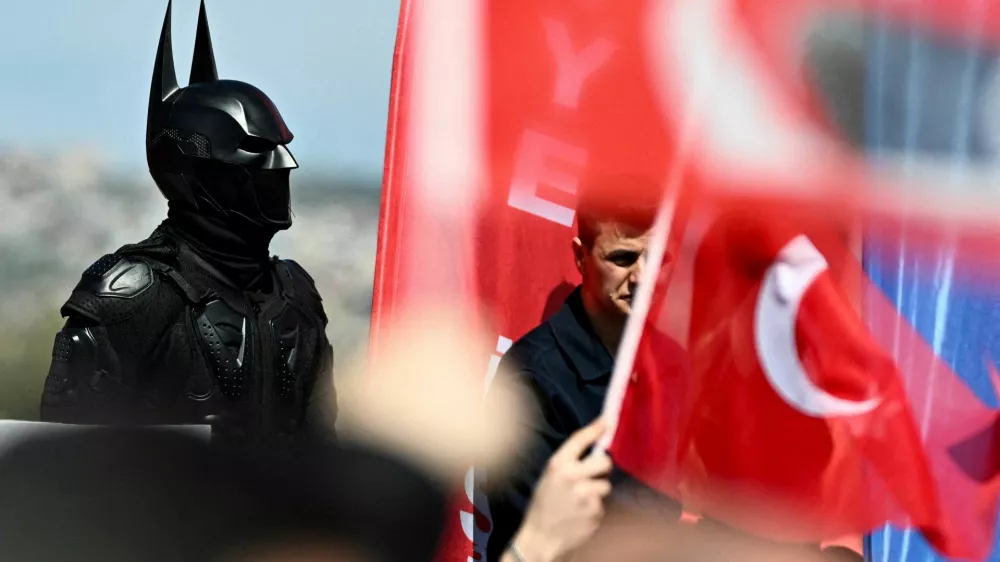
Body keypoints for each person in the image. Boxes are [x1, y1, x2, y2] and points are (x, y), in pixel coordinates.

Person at [39, 1, 335, 444]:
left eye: (281, 147)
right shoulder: (131, 295)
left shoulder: (296, 296)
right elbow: (67, 466)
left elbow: (321, 448)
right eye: (258, 148)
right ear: (200, 166)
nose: (283, 165)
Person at [485, 176, 681, 562]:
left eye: (658, 258)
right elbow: (552, 537)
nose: (643, 277)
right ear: (580, 257)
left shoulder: (680, 364)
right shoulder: (529, 379)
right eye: (622, 258)